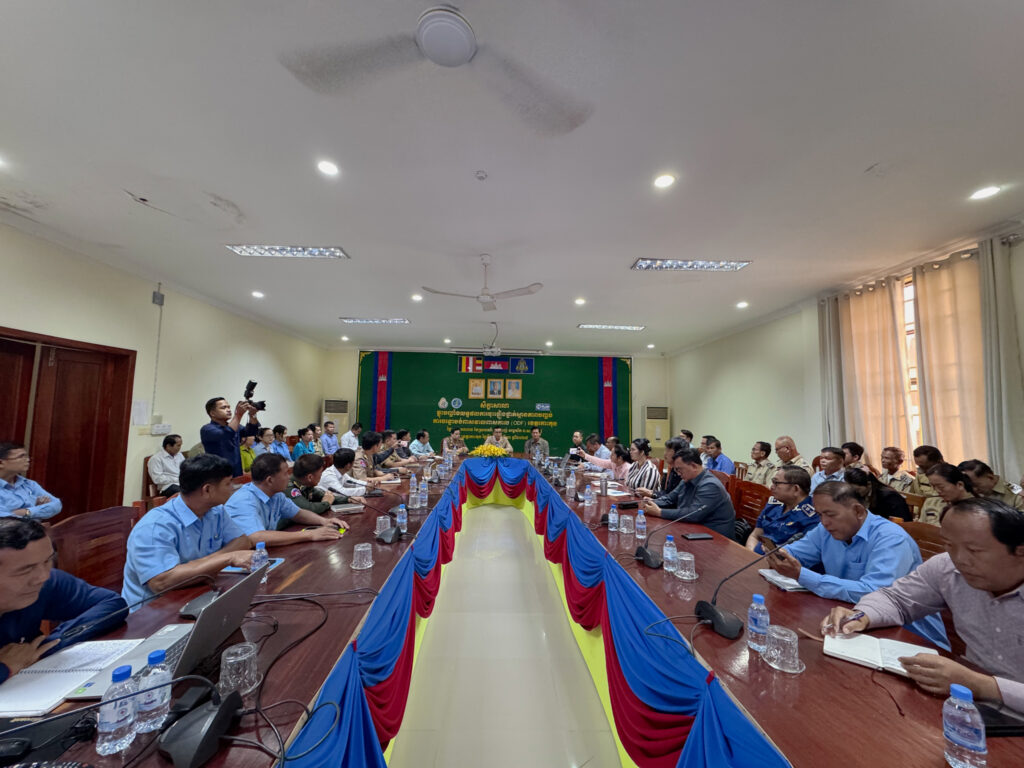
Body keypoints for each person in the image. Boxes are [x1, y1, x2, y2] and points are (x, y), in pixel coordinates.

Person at [822, 498, 1024, 712]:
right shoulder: (946, 567)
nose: (960, 559)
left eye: (974, 550)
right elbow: (896, 599)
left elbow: (976, 683)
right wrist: (862, 615)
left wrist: (981, 685)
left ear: (1019, 551)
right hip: (968, 703)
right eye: (949, 545)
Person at [767, 481, 947, 647]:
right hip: (852, 621)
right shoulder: (825, 530)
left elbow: (873, 593)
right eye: (820, 515)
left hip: (911, 637)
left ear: (858, 511)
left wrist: (802, 575)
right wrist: (779, 556)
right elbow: (795, 552)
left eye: (830, 515)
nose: (824, 522)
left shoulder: (891, 539)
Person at [0, 518, 128, 683]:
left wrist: (49, 645)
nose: (43, 576)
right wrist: (5, 667)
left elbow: (112, 604)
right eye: (26, 570)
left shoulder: (46, 582)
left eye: (47, 561)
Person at [122, 455, 254, 607]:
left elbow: (243, 541)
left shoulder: (216, 511)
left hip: (199, 596)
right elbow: (161, 582)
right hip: (155, 611)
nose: (233, 488)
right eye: (228, 483)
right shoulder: (155, 526)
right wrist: (226, 558)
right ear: (207, 490)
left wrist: (209, 562)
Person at [225, 454, 346, 546]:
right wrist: (309, 534)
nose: (289, 478)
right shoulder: (244, 500)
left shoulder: (276, 495)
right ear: (270, 480)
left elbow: (298, 513)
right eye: (285, 474)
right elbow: (256, 537)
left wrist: (324, 521)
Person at [637, 448, 736, 538]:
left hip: (715, 537)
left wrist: (659, 512)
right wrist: (650, 503)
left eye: (679, 469)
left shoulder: (710, 485)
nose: (678, 473)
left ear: (694, 466)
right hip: (692, 529)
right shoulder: (686, 479)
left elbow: (693, 514)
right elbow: (669, 499)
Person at [745, 467, 817, 554]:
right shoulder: (773, 504)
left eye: (776, 483)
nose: (771, 487)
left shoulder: (811, 516)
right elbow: (755, 536)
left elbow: (802, 553)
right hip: (756, 557)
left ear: (796, 489)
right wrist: (750, 555)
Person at [199, 396, 260, 477]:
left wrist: (252, 415)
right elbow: (227, 434)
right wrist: (238, 414)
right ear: (212, 413)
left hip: (237, 472)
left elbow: (252, 431)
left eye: (229, 407)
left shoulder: (235, 426)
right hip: (219, 475)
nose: (228, 410)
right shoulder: (207, 429)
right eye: (223, 408)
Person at [0, 443, 61, 520]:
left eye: (27, 456)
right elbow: (5, 518)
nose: (28, 460)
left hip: (33, 527)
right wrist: (37, 509)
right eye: (21, 457)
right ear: (1, 463)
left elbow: (56, 505)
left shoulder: (29, 484)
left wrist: (27, 512)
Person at [844, 467, 912, 522]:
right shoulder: (862, 494)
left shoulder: (889, 497)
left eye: (856, 490)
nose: (853, 493)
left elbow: (901, 521)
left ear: (868, 484)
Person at [958, 460, 1024, 511]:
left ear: (990, 477)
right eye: (970, 486)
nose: (974, 489)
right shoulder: (968, 495)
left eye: (976, 485)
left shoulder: (1015, 494)